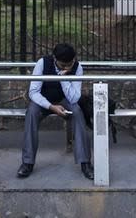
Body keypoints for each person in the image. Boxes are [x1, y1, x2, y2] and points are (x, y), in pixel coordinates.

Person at [17, 43, 94, 180]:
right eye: (62, 65)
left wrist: (63, 77)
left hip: (65, 99)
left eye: (69, 64)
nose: (65, 67)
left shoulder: (77, 68)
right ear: (54, 58)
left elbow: (75, 97)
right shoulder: (42, 63)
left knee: (77, 112)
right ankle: (27, 162)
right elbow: (33, 92)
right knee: (31, 113)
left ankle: (85, 162)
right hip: (43, 99)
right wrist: (51, 107)